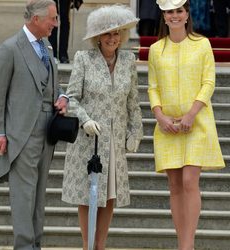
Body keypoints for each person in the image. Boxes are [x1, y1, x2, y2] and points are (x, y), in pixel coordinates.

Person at [61, 5, 143, 250]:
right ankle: (87, 245)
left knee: (109, 196)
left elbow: (133, 102)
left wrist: (135, 131)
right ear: (97, 36)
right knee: (87, 196)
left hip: (115, 141)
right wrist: (85, 119)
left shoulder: (128, 61)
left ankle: (101, 246)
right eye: (107, 34)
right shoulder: (83, 59)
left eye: (117, 33)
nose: (113, 38)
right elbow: (71, 98)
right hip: (89, 141)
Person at [0, 0, 68, 249]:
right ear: (36, 19)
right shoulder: (9, 49)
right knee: (23, 195)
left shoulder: (47, 47)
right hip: (20, 133)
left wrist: (62, 97)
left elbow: (52, 85)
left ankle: (35, 244)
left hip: (47, 132)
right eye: (52, 19)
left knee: (39, 195)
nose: (56, 24)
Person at [148, 1, 225, 249]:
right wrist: (160, 116)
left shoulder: (202, 44)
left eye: (179, 11)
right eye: (170, 11)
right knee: (174, 185)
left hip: (197, 123)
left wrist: (191, 114)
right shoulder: (156, 49)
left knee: (190, 181)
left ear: (187, 14)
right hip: (167, 126)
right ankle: (182, 242)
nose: (175, 15)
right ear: (164, 15)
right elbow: (153, 88)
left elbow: (208, 82)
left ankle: (187, 245)